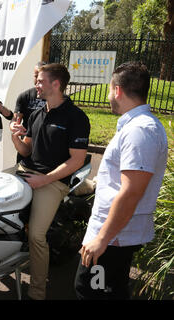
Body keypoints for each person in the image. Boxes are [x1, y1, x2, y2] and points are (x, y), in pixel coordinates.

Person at [74, 62, 168, 300]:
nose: (108, 96)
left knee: (91, 292)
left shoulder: (140, 131)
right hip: (113, 237)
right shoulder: (137, 127)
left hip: (113, 240)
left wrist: (102, 239)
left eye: (109, 90)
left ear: (117, 90)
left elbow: (131, 192)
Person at [10, 63, 90, 300]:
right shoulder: (36, 113)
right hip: (26, 172)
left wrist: (44, 179)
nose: (36, 84)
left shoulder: (76, 117)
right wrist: (15, 137)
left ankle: (37, 293)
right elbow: (26, 151)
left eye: (40, 81)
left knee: (36, 235)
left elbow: (76, 161)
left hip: (53, 182)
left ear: (56, 84)